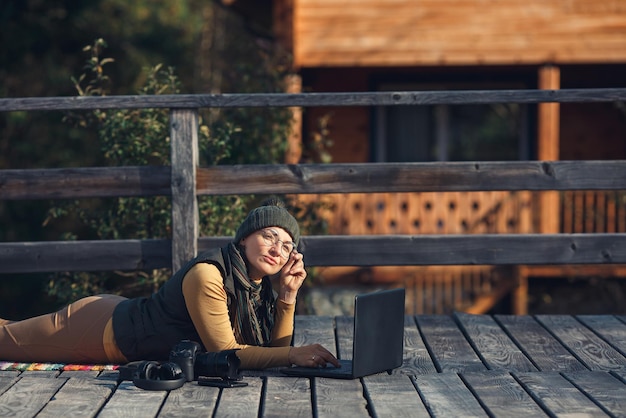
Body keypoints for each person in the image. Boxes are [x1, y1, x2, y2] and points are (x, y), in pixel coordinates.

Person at [0, 198, 340, 370]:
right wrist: (294, 355)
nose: (277, 250)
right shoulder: (209, 275)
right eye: (269, 236)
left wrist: (288, 296)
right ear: (245, 239)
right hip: (100, 332)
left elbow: (272, 349)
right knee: (6, 340)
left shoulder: (258, 287)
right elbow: (228, 352)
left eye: (286, 245)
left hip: (122, 316)